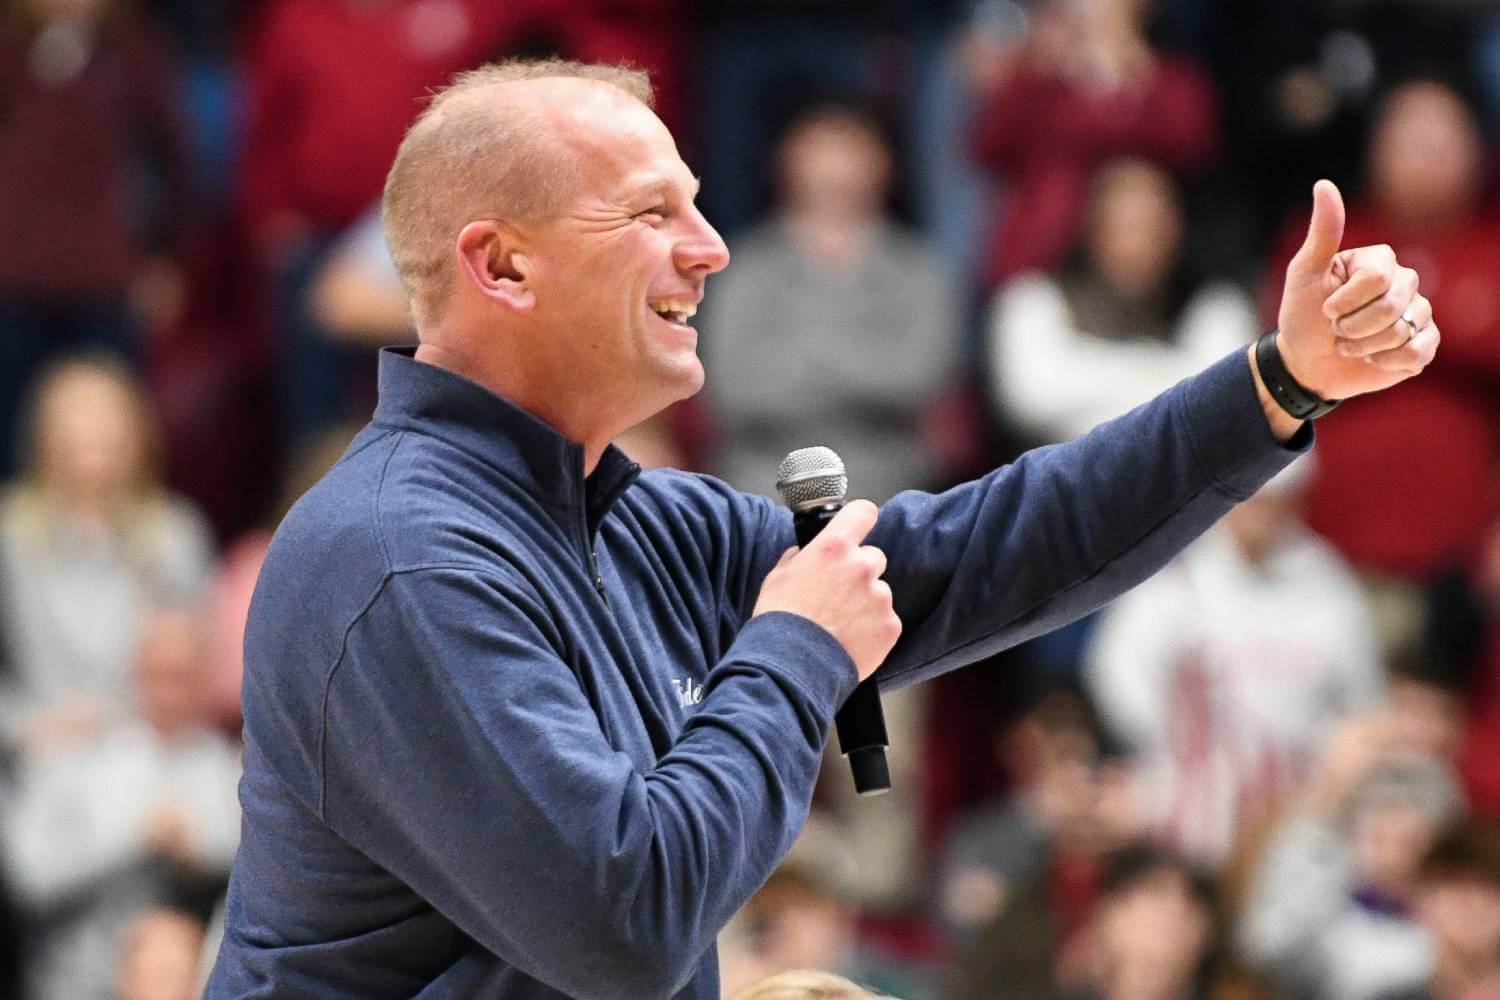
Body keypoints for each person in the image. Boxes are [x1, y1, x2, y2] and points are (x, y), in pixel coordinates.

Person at [204, 58, 1438, 999]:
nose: (713, 247)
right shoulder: (401, 561)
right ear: (503, 268)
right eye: (650, 215)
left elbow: (977, 553)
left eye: (697, 204)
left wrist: (1276, 382)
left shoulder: (631, 520)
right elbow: (618, 923)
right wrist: (795, 650)